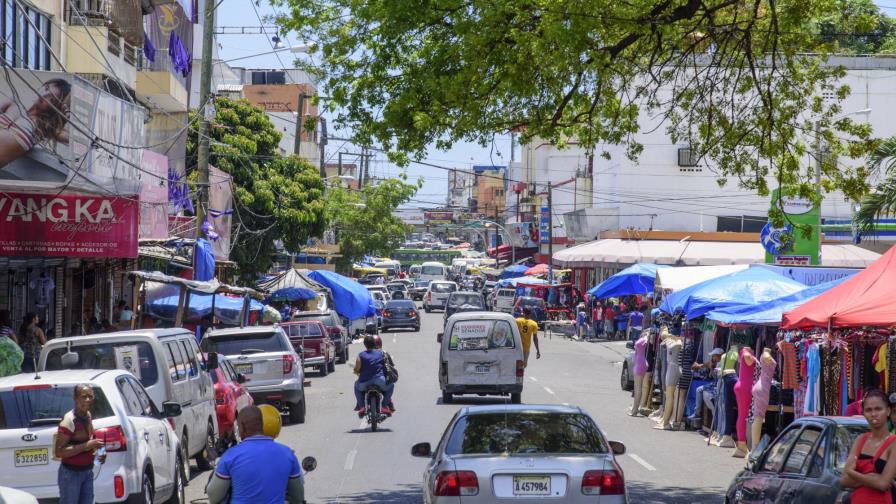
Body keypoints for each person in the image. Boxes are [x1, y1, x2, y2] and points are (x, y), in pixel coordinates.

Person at [207, 405, 305, 504]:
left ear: (242, 427)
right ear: (262, 424)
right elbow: (298, 497)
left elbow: (213, 496)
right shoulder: (287, 454)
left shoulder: (230, 456)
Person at [0, 78, 71, 168]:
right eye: (46, 88)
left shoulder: (43, 127)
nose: (44, 95)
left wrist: (69, 117)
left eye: (51, 99)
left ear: (55, 108)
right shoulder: (14, 101)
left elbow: (74, 139)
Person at [841, 389, 896, 503]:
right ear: (864, 413)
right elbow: (844, 481)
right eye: (868, 410)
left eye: (878, 409)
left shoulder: (893, 443)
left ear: (888, 411)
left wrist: (852, 472)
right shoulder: (861, 439)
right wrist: (872, 477)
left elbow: (882, 484)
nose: (873, 414)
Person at [55, 384, 104, 504]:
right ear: (75, 398)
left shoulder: (88, 415)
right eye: (83, 397)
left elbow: (90, 439)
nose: (87, 400)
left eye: (90, 396)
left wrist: (99, 453)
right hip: (71, 475)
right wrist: (87, 445)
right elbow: (59, 452)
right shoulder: (69, 421)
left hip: (87, 472)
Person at [353, 335, 395, 416]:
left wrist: (356, 371)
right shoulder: (381, 353)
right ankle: (384, 406)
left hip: (364, 383)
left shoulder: (361, 355)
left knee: (356, 386)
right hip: (380, 381)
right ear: (374, 343)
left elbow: (357, 368)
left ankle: (362, 407)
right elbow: (388, 366)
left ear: (365, 344)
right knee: (391, 386)